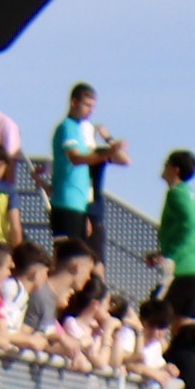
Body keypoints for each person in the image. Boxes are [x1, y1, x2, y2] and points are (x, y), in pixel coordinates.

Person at [47, 80, 118, 258]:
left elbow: (124, 159)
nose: (90, 110)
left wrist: (110, 144)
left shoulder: (78, 130)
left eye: (93, 106)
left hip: (79, 203)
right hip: (66, 201)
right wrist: (105, 154)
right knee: (67, 256)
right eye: (87, 105)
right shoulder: (67, 127)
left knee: (79, 256)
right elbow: (76, 158)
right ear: (74, 102)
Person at [153, 145, 195, 315]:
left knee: (154, 314)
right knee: (183, 325)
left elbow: (190, 226)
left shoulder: (176, 193)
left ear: (175, 169)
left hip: (182, 269)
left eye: (166, 164)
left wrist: (170, 255)